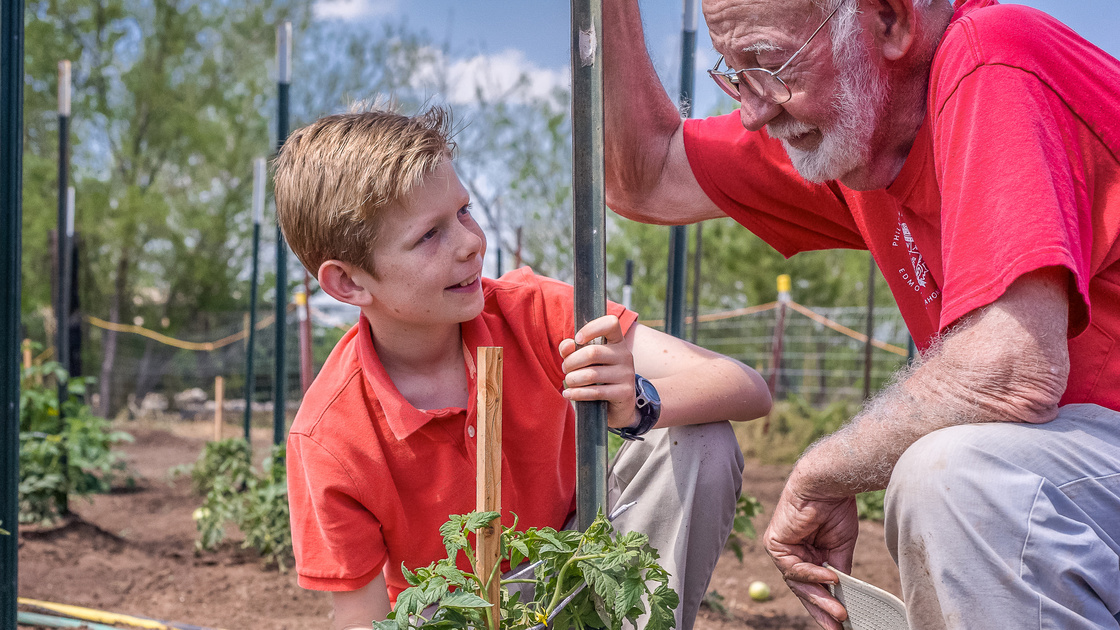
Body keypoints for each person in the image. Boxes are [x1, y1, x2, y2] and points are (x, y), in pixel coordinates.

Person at [602, 0, 1120, 628]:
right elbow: (646, 175)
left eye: (768, 64)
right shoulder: (860, 136)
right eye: (735, 75)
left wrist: (821, 469)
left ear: (890, 20)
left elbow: (1009, 369)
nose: (753, 110)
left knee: (954, 480)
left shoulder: (993, 57)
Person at [273, 104, 773, 630]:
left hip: (571, 578)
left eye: (463, 212)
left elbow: (746, 387)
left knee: (699, 440)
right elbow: (362, 620)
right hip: (456, 613)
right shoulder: (330, 437)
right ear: (349, 284)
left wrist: (638, 402)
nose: (470, 243)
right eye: (429, 235)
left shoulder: (537, 313)